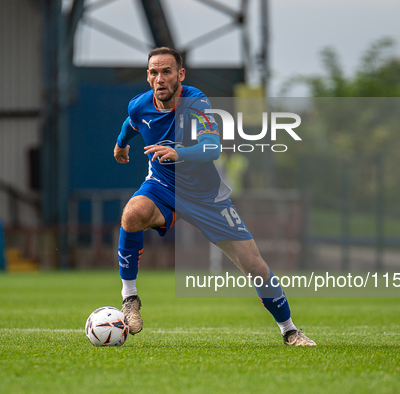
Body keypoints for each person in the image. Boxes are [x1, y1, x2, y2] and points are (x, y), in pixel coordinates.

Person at [113, 47, 316, 346]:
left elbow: (212, 147)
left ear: (180, 75)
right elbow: (130, 124)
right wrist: (120, 146)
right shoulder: (139, 106)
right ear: (148, 76)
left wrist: (178, 152)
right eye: (154, 72)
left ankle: (290, 330)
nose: (160, 78)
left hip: (206, 197)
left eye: (167, 71)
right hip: (163, 187)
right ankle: (129, 298)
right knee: (132, 213)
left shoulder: (196, 102)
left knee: (254, 265)